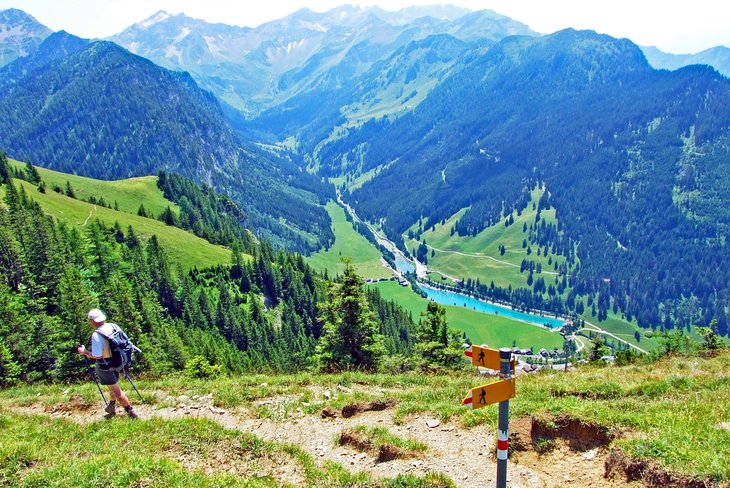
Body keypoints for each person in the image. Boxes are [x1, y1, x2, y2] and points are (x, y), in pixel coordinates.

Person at [77, 308, 138, 419]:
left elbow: (97, 355)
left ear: (92, 321)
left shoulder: (97, 335)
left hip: (106, 366)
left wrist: (84, 352)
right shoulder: (113, 326)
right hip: (119, 362)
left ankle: (131, 413)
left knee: (117, 390)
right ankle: (112, 406)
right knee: (112, 385)